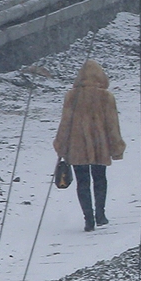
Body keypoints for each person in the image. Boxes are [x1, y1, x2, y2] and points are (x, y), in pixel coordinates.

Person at [53, 59, 124, 231]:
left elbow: (65, 123)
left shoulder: (72, 96)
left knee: (82, 182)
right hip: (100, 145)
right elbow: (112, 125)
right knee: (100, 179)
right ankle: (100, 214)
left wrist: (61, 145)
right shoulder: (106, 97)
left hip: (78, 146)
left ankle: (88, 219)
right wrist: (116, 147)